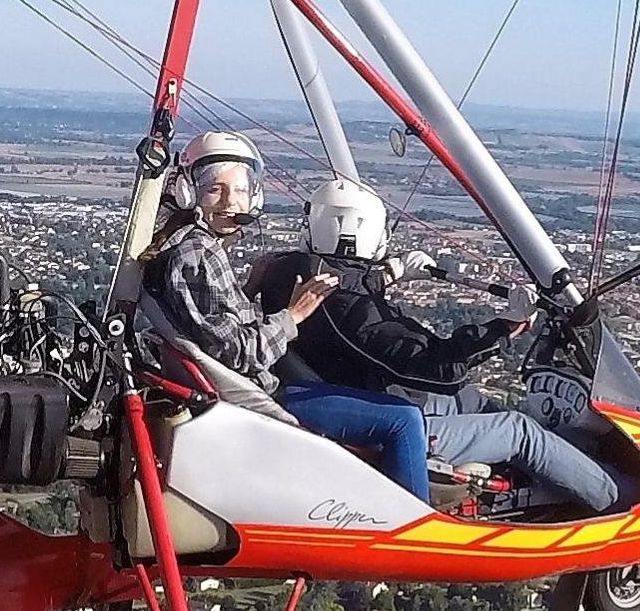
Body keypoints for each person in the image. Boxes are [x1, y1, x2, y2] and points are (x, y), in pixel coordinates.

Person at [254, 177, 620, 513]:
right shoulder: (345, 303)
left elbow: (350, 286)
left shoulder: (295, 274)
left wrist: (393, 271)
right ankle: (617, 501)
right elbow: (435, 367)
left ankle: (567, 470)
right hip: (375, 416)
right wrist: (503, 328)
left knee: (470, 400)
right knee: (519, 431)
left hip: (348, 393)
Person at [141, 132, 434, 500]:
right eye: (216, 189)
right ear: (188, 192)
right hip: (267, 396)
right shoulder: (198, 253)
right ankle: (422, 528)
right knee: (404, 419)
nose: (232, 202)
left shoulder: (183, 244)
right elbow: (238, 353)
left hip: (254, 387)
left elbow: (212, 326)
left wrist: (249, 288)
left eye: (241, 190)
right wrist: (292, 316)